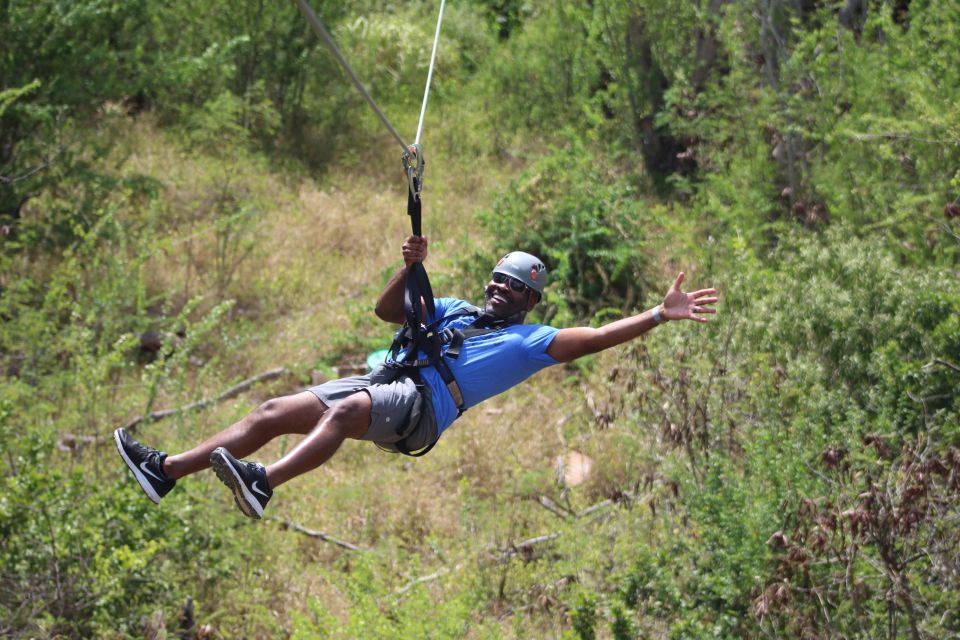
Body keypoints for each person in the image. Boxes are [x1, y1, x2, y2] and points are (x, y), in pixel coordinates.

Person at [114, 236, 718, 519]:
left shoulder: (528, 341)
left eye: (513, 287)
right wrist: (410, 269)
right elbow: (385, 313)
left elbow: (600, 337)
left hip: (422, 407)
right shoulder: (453, 307)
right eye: (497, 280)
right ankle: (163, 470)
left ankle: (264, 482)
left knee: (347, 414)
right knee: (272, 411)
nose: (498, 289)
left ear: (530, 301)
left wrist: (658, 315)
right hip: (389, 379)